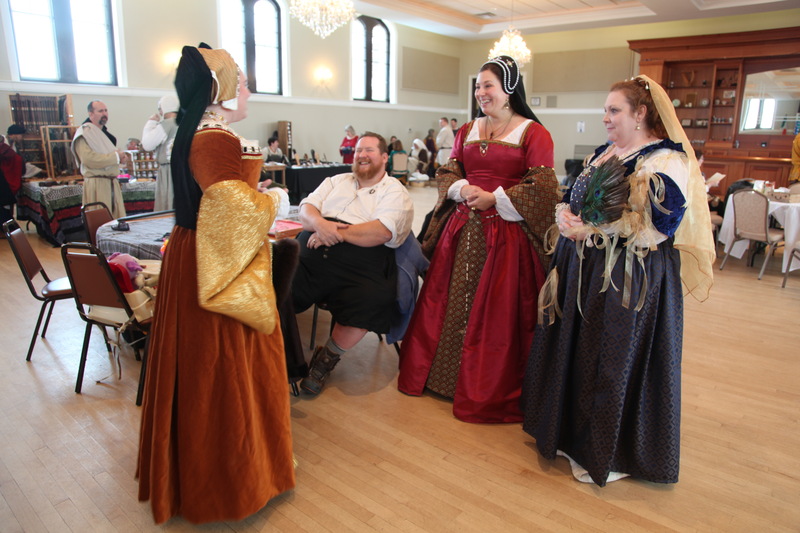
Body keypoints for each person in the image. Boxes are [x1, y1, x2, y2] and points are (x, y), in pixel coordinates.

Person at [521, 76, 715, 486]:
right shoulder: (604, 153)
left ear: (640, 113)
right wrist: (564, 216)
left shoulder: (664, 161)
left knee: (611, 358)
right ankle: (568, 436)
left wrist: (591, 231)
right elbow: (571, 199)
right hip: (584, 268)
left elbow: (657, 228)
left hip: (628, 274)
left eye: (614, 110)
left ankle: (606, 451)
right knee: (578, 351)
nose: (605, 118)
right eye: (605, 111)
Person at [137, 44, 295, 524]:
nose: (247, 91)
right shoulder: (213, 137)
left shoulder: (201, 131)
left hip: (199, 252)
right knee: (221, 366)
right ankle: (229, 481)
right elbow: (229, 206)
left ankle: (226, 470)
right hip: (213, 262)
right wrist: (276, 201)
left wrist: (253, 193)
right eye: (242, 82)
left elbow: (219, 196)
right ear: (221, 89)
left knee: (213, 366)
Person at [397, 56, 561, 423]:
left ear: (509, 89)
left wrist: (496, 198)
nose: (481, 93)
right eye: (477, 86)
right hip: (461, 229)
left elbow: (544, 187)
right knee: (446, 301)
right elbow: (448, 170)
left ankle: (484, 389)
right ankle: (441, 378)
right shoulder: (468, 130)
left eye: (488, 86)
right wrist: (462, 188)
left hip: (507, 237)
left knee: (498, 311)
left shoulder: (533, 133)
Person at [292, 132, 414, 395]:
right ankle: (279, 355)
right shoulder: (335, 180)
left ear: (385, 157)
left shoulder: (394, 190)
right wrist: (320, 224)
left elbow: (382, 231)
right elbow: (305, 210)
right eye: (358, 150)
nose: (362, 155)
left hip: (361, 261)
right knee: (278, 286)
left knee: (372, 298)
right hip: (312, 251)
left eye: (369, 150)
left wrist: (330, 233)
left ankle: (326, 360)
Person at [71, 100, 129, 218]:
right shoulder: (84, 133)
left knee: (117, 221)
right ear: (91, 114)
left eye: (106, 110)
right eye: (100, 111)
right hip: (97, 185)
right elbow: (89, 160)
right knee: (101, 220)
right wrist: (116, 157)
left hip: (112, 183)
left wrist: (121, 159)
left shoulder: (108, 136)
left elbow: (111, 158)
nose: (104, 114)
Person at [141, 94, 179, 211]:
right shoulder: (186, 122)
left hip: (169, 171)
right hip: (184, 170)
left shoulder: (167, 124)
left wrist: (151, 123)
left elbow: (147, 144)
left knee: (168, 206)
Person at [0, 125, 24, 224]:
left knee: (7, 207)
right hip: (3, 180)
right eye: (21, 135)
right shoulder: (2, 144)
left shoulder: (12, 146)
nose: (22, 138)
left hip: (7, 179)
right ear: (14, 135)